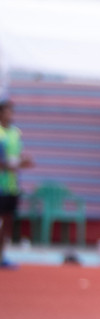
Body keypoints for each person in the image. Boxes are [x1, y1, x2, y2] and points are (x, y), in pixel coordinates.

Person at [0, 99, 34, 270]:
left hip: (11, 185)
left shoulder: (15, 133)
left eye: (12, 111)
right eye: (7, 111)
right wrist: (13, 165)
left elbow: (18, 157)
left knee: (7, 223)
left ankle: (2, 255)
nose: (10, 115)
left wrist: (24, 162)